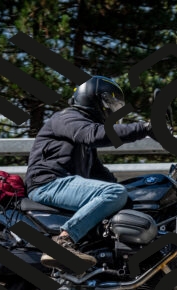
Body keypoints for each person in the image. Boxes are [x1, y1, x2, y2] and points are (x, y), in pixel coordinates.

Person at [25, 76, 155, 269]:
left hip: (61, 183)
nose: (113, 109)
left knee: (120, 193)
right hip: (48, 183)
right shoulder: (67, 117)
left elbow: (99, 172)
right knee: (114, 193)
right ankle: (63, 240)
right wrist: (144, 128)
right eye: (110, 103)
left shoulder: (82, 131)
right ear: (94, 99)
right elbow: (93, 135)